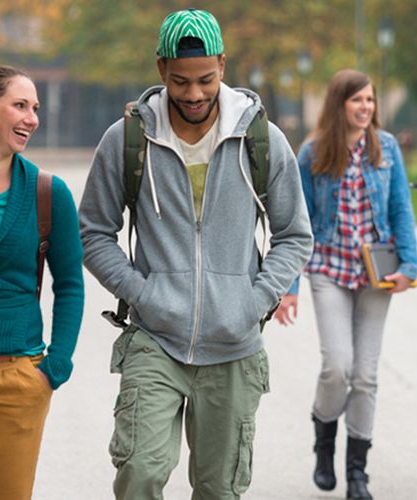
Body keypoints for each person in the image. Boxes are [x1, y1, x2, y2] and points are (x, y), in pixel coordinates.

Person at [78, 8, 312, 500]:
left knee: (218, 489)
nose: (194, 94)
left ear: (223, 66)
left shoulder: (260, 138)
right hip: (154, 339)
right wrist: (142, 293)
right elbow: (94, 232)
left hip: (234, 347)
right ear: (161, 69)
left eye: (205, 79)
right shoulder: (129, 138)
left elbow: (294, 234)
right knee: (140, 471)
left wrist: (255, 301)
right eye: (181, 81)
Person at [275, 69, 417, 500]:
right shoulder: (313, 152)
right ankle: (324, 438)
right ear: (339, 104)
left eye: (370, 101)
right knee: (337, 367)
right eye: (357, 101)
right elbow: (293, 225)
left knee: (365, 374)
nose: (365, 108)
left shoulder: (387, 148)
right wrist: (289, 288)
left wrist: (409, 265)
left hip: (377, 274)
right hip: (328, 269)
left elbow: (401, 211)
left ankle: (358, 472)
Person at [0, 65, 84, 500]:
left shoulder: (49, 193)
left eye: (35, 108)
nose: (32, 117)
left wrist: (56, 366)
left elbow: (69, 284)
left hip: (19, 380)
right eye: (19, 105)